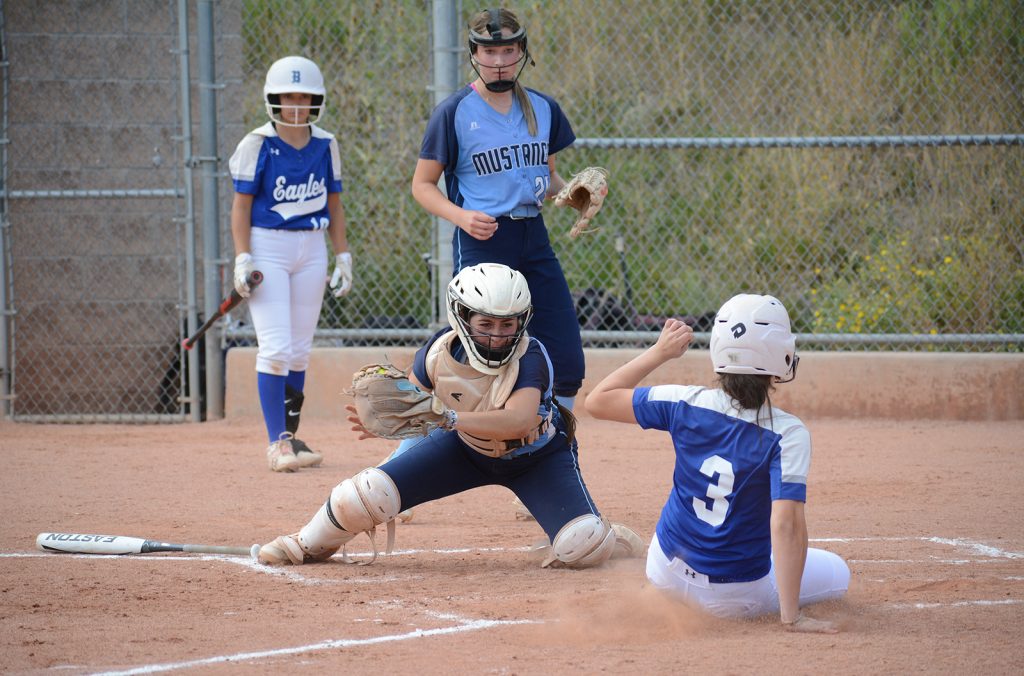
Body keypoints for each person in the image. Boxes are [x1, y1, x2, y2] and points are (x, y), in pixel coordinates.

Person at [257, 263, 642, 568]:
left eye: (507, 324)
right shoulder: (439, 351)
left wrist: (447, 419)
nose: (497, 336)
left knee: (582, 545)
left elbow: (518, 420)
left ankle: (609, 535)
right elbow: (414, 404)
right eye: (485, 324)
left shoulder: (532, 355)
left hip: (536, 458)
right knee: (364, 493)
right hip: (462, 450)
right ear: (462, 317)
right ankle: (305, 543)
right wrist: (391, 421)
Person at [584, 294, 850, 633]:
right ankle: (777, 610)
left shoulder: (684, 401)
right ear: (779, 355)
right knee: (839, 572)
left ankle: (663, 593)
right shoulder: (788, 433)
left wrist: (660, 351)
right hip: (732, 597)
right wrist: (792, 616)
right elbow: (786, 526)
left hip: (663, 570)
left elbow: (597, 401)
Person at [410, 7, 585, 410]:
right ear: (474, 54)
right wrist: (460, 216)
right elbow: (421, 185)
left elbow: (550, 178)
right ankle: (416, 413)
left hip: (533, 237)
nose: (499, 61)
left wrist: (574, 194)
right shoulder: (454, 112)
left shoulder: (543, 108)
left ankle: (553, 439)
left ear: (521, 51)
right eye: (489, 52)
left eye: (508, 50)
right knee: (480, 348)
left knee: (566, 355)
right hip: (483, 239)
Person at [229, 55, 353, 472]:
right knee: (277, 347)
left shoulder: (325, 143)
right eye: (288, 98)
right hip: (269, 245)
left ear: (316, 101)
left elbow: (334, 205)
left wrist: (343, 255)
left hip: (311, 247)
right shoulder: (257, 144)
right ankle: (275, 443)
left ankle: (292, 439)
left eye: (305, 98)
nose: (296, 106)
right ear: (273, 100)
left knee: (299, 351)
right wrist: (243, 256)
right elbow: (240, 207)